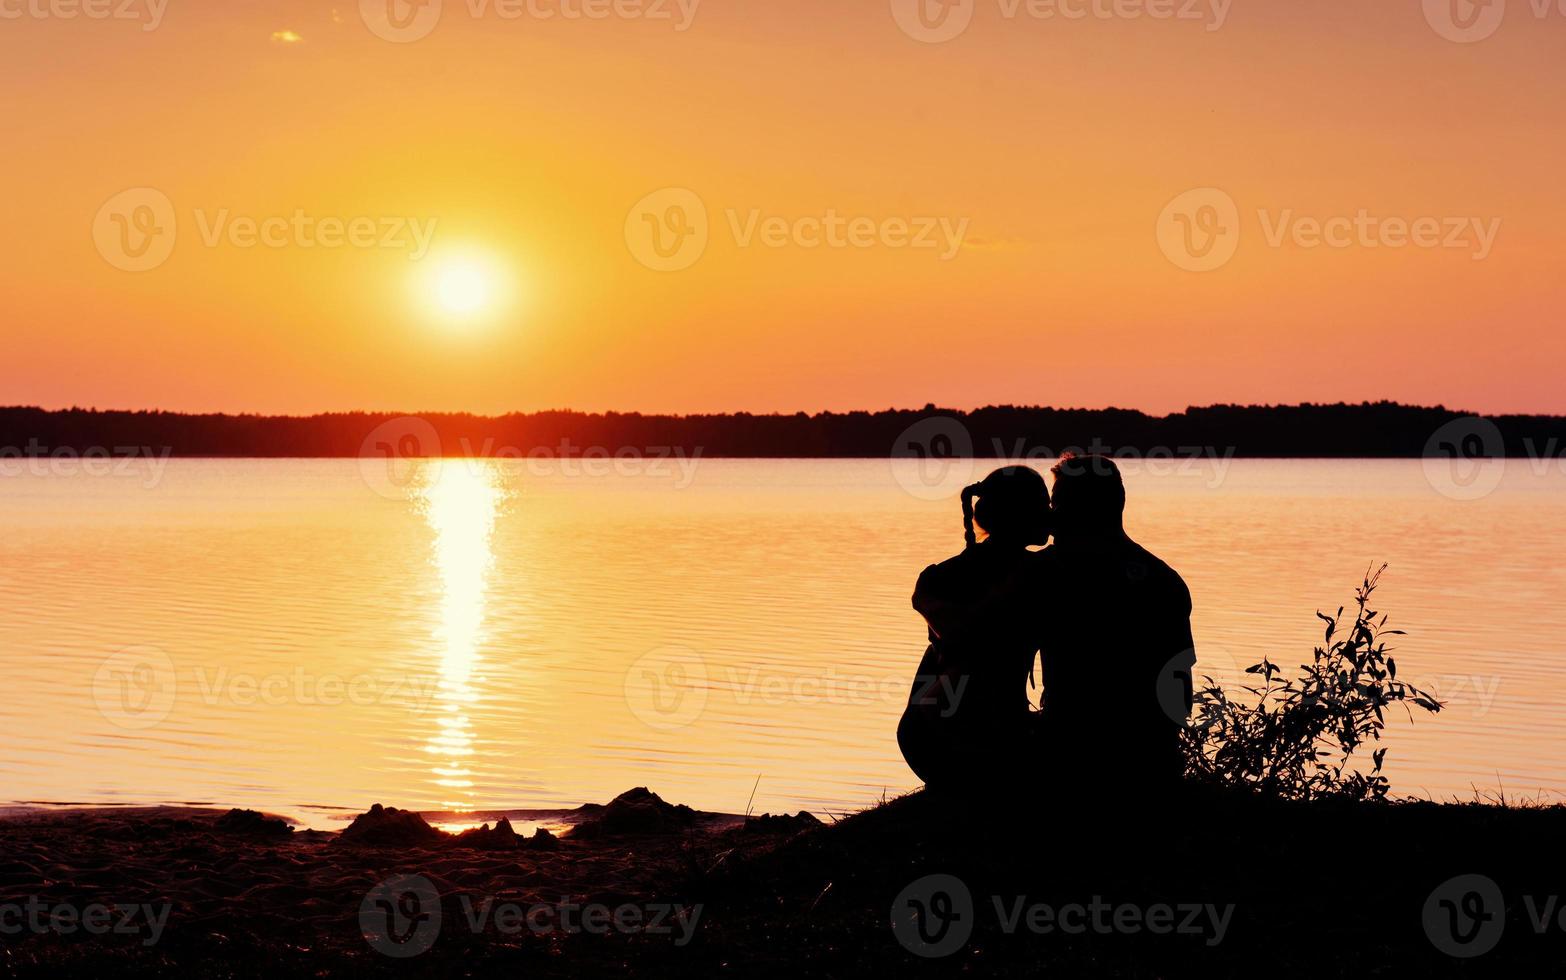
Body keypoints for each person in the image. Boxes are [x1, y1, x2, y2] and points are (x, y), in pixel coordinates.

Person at [1035, 454, 1195, 798]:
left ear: (1083, 510)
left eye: (1056, 504)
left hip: (1075, 756)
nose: (1049, 517)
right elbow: (1180, 697)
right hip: (1148, 758)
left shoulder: (1045, 575)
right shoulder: (1164, 580)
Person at [897, 465, 1050, 790]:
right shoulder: (940, 581)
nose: (1051, 516)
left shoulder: (1042, 573)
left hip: (978, 727)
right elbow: (962, 636)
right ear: (1018, 515)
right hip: (936, 734)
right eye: (1042, 506)